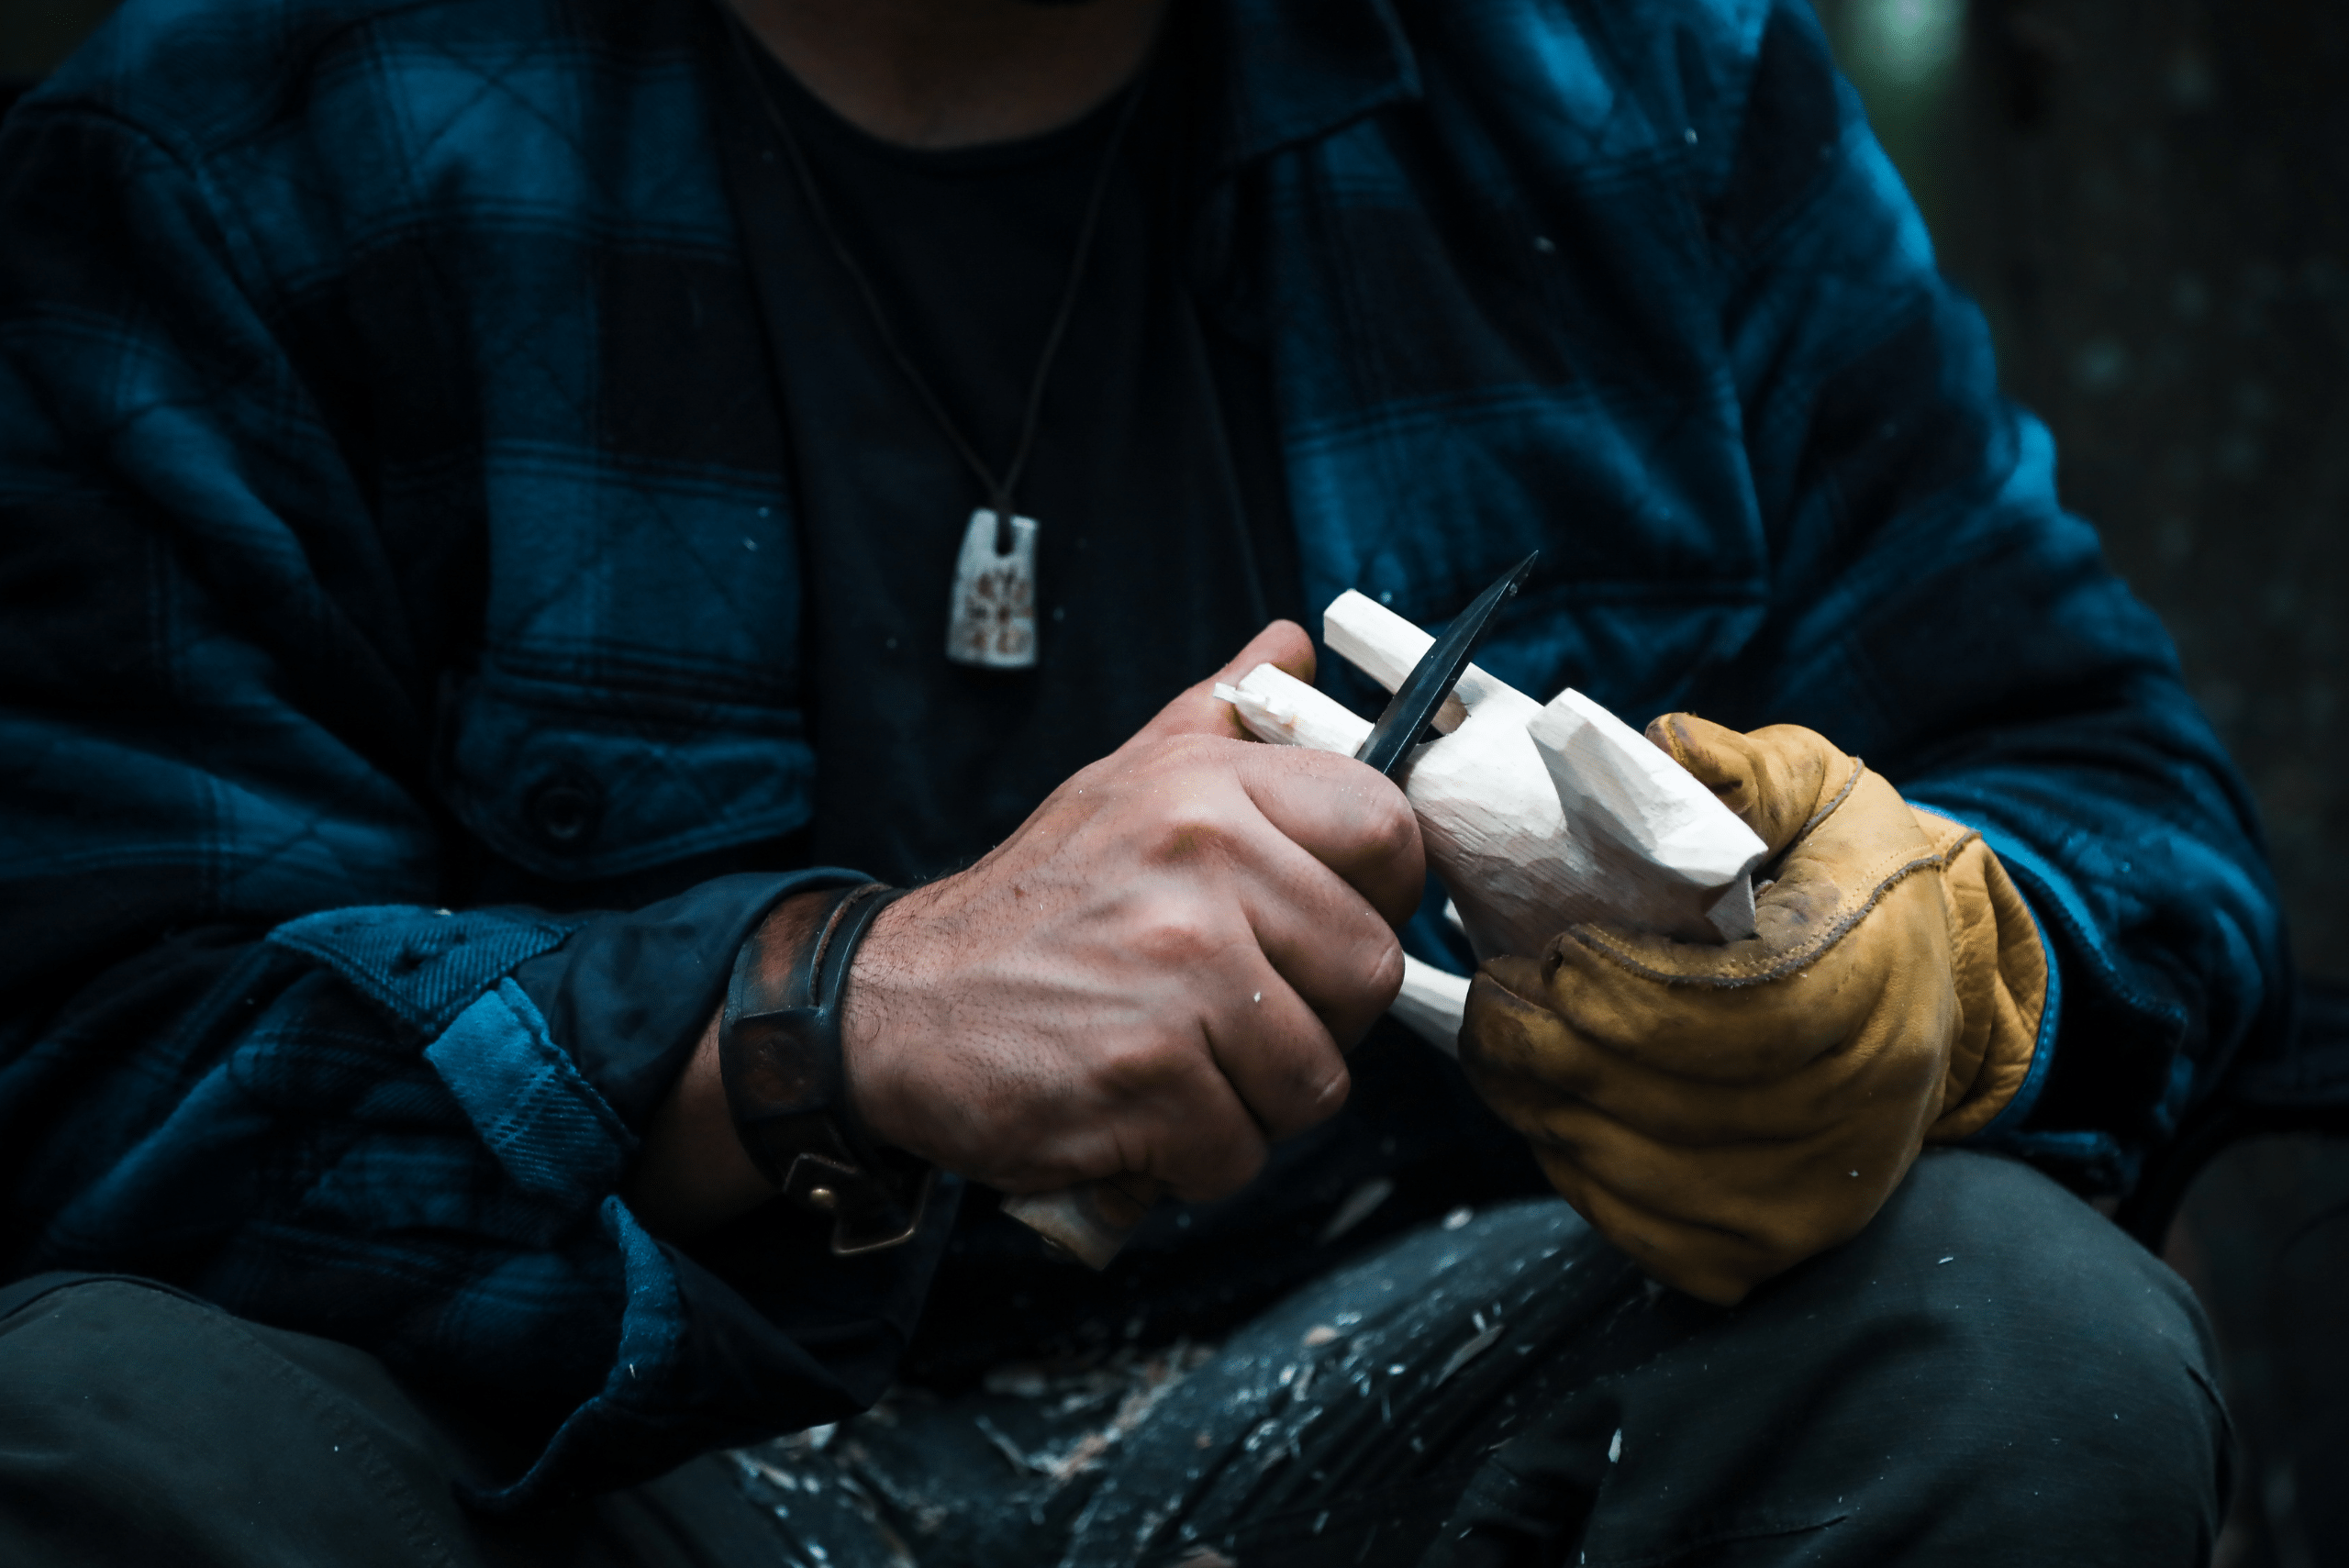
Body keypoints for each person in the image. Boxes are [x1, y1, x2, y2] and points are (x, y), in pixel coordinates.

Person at [0, 0, 2282, 1562]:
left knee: (2006, 1328)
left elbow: (2106, 786)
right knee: (105, 1418)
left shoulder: (1633, 81)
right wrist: (822, 1019)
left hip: (1428, 1393)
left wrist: (1945, 966)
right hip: (593, 1457)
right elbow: (90, 1062)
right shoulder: (240, 150)